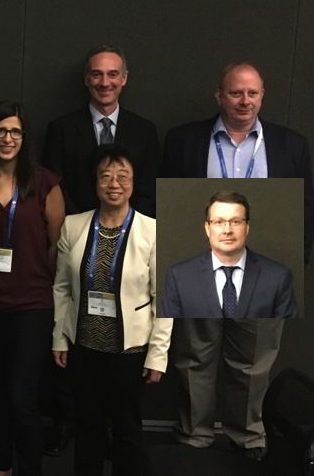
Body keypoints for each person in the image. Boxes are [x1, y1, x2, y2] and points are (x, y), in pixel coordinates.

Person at [161, 62, 313, 460]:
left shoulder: (291, 145)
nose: (245, 101)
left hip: (265, 270)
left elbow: (306, 208)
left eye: (253, 93)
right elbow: (167, 209)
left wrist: (298, 259)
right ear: (219, 96)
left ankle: (247, 437)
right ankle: (194, 435)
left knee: (253, 361)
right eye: (235, 93)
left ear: (262, 96)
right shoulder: (183, 142)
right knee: (195, 356)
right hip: (200, 265)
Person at [52, 144, 173, 476]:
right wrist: (60, 338)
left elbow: (165, 298)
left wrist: (157, 355)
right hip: (85, 347)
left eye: (123, 176)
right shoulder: (73, 226)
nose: (114, 183)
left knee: (127, 430)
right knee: (87, 427)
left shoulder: (152, 231)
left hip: (129, 350)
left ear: (134, 182)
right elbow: (61, 287)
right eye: (106, 176)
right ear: (95, 182)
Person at [0, 102, 65, 476]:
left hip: (31, 305)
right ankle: (2, 466)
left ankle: (30, 467)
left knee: (21, 397)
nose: (7, 139)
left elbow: (55, 247)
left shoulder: (45, 183)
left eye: (15, 132)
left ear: (25, 138)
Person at [43, 45, 160, 217]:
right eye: (97, 74)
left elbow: (149, 190)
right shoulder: (61, 129)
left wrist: (126, 226)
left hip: (131, 234)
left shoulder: (145, 132)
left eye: (112, 74)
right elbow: (55, 188)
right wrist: (81, 225)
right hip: (75, 231)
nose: (105, 83)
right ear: (86, 79)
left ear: (124, 78)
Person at [160, 191, 297, 319]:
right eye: (219, 222)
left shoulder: (277, 277)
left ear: (247, 227)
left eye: (236, 222)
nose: (227, 230)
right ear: (207, 228)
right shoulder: (179, 277)